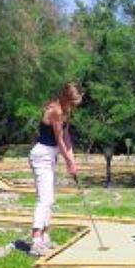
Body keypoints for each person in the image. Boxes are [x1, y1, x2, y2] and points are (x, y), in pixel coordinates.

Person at [29, 82, 83, 255]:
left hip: (50, 155)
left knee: (49, 199)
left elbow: (66, 137)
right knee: (44, 199)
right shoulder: (55, 111)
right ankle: (36, 240)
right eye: (75, 100)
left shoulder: (65, 111)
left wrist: (72, 161)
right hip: (42, 155)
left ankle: (44, 237)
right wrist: (69, 162)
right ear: (68, 98)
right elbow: (59, 140)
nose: (77, 104)